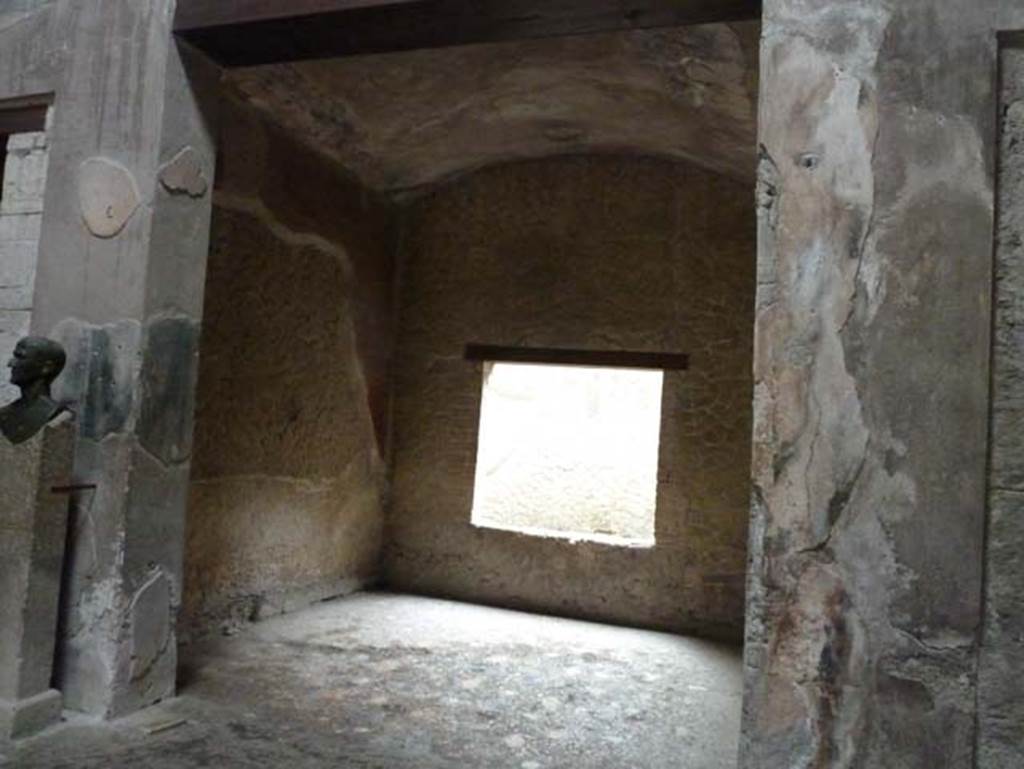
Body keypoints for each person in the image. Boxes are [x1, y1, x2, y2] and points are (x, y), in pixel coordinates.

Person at [0, 336, 68, 445]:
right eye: (14, 356)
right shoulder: (5, 414)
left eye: (21, 357)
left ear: (46, 368)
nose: (10, 363)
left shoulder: (55, 414)